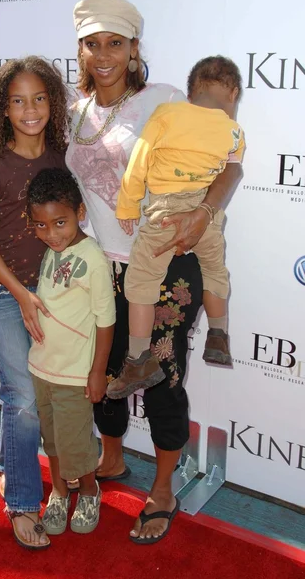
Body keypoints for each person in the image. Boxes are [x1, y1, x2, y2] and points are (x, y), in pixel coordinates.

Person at [66, 0, 242, 544]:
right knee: (113, 368)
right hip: (102, 267)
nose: (103, 55)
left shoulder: (166, 100)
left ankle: (164, 487)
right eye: (92, 44)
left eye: (115, 43)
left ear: (134, 47)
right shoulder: (73, 111)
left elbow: (231, 167)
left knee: (162, 374)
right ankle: (112, 457)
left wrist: (205, 213)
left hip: (168, 264)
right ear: (81, 49)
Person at [0, 56, 69, 550]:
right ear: (2, 109)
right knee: (23, 396)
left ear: (52, 101)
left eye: (39, 98)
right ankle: (24, 502)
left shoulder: (59, 156)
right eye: (17, 101)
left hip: (47, 292)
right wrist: (21, 294)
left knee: (39, 396)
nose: (30, 110)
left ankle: (10, 462)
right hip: (1, 291)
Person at [108, 56, 245, 399]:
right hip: (206, 214)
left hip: (165, 213)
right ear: (233, 92)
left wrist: (127, 205)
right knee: (215, 271)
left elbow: (139, 161)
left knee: (140, 283)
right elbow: (231, 168)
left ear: (192, 90)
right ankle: (218, 335)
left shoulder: (167, 114)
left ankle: (138, 359)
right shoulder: (234, 131)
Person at [26, 168, 115, 535]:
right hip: (42, 368)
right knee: (52, 439)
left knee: (76, 443)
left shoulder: (93, 257)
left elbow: (105, 319)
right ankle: (60, 493)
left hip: (75, 374)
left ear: (79, 212)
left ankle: (90, 491)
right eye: (41, 226)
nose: (51, 234)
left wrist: (97, 372)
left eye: (60, 222)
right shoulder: (51, 251)